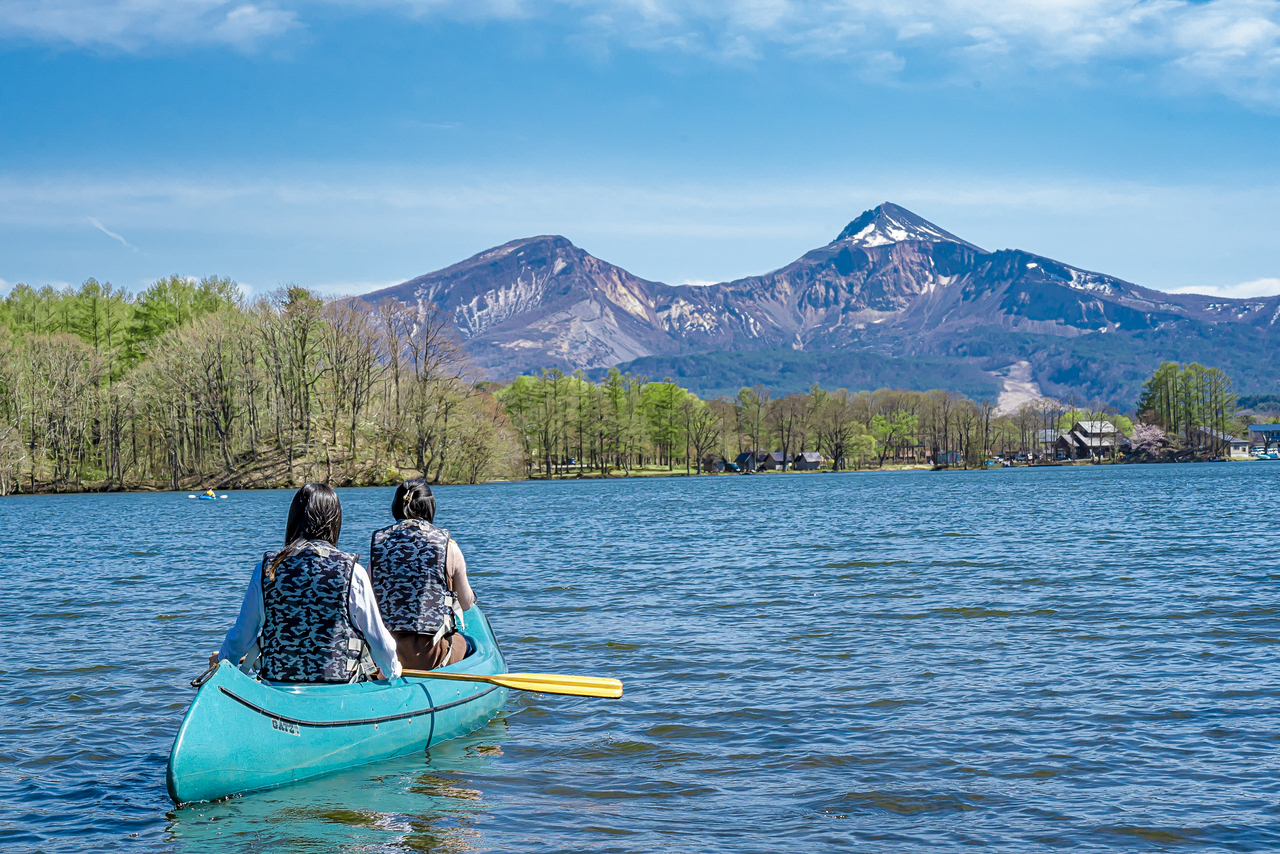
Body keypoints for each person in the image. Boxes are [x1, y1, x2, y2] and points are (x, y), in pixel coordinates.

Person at [209, 482, 402, 682]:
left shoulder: (266, 569)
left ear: (293, 519)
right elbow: (380, 643)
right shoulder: (353, 572)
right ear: (335, 521)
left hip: (278, 688)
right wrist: (393, 672)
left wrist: (221, 668)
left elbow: (240, 638)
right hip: (339, 690)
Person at [368, 479, 475, 671]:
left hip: (384, 655)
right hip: (431, 656)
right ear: (430, 507)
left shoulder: (378, 545)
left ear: (396, 506)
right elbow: (467, 604)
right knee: (467, 643)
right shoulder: (448, 546)